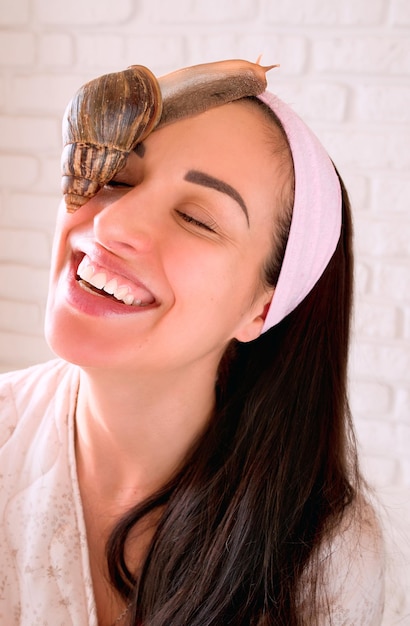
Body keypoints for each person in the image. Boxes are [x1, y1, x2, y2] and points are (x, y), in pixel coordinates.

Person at [0, 60, 384, 626]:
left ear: (262, 307)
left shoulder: (325, 554)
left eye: (196, 219)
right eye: (118, 179)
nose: (109, 227)